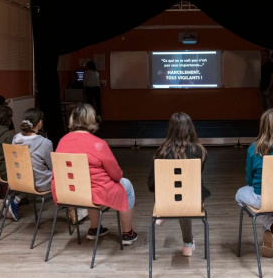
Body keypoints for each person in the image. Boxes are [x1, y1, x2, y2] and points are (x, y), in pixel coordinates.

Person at [52, 103, 137, 245]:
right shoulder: (98, 144)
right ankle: (128, 233)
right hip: (93, 194)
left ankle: (94, 229)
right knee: (126, 185)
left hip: (66, 193)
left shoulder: (62, 141)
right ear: (91, 120)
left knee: (86, 186)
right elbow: (116, 176)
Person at [147, 112, 211, 257]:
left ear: (170, 129)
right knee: (185, 197)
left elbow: (151, 184)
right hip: (191, 201)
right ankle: (188, 244)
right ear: (190, 128)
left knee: (177, 196)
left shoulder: (161, 152)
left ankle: (164, 212)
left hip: (166, 200)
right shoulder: (200, 151)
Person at [235, 109, 273, 257]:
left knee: (239, 195)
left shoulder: (255, 149)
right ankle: (270, 233)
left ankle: (272, 226)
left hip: (263, 197)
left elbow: (249, 179)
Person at [8, 108, 53, 220]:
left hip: (20, 180)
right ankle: (71, 208)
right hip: (40, 183)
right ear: (40, 123)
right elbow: (52, 166)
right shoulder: (45, 143)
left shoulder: (15, 138)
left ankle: (16, 198)